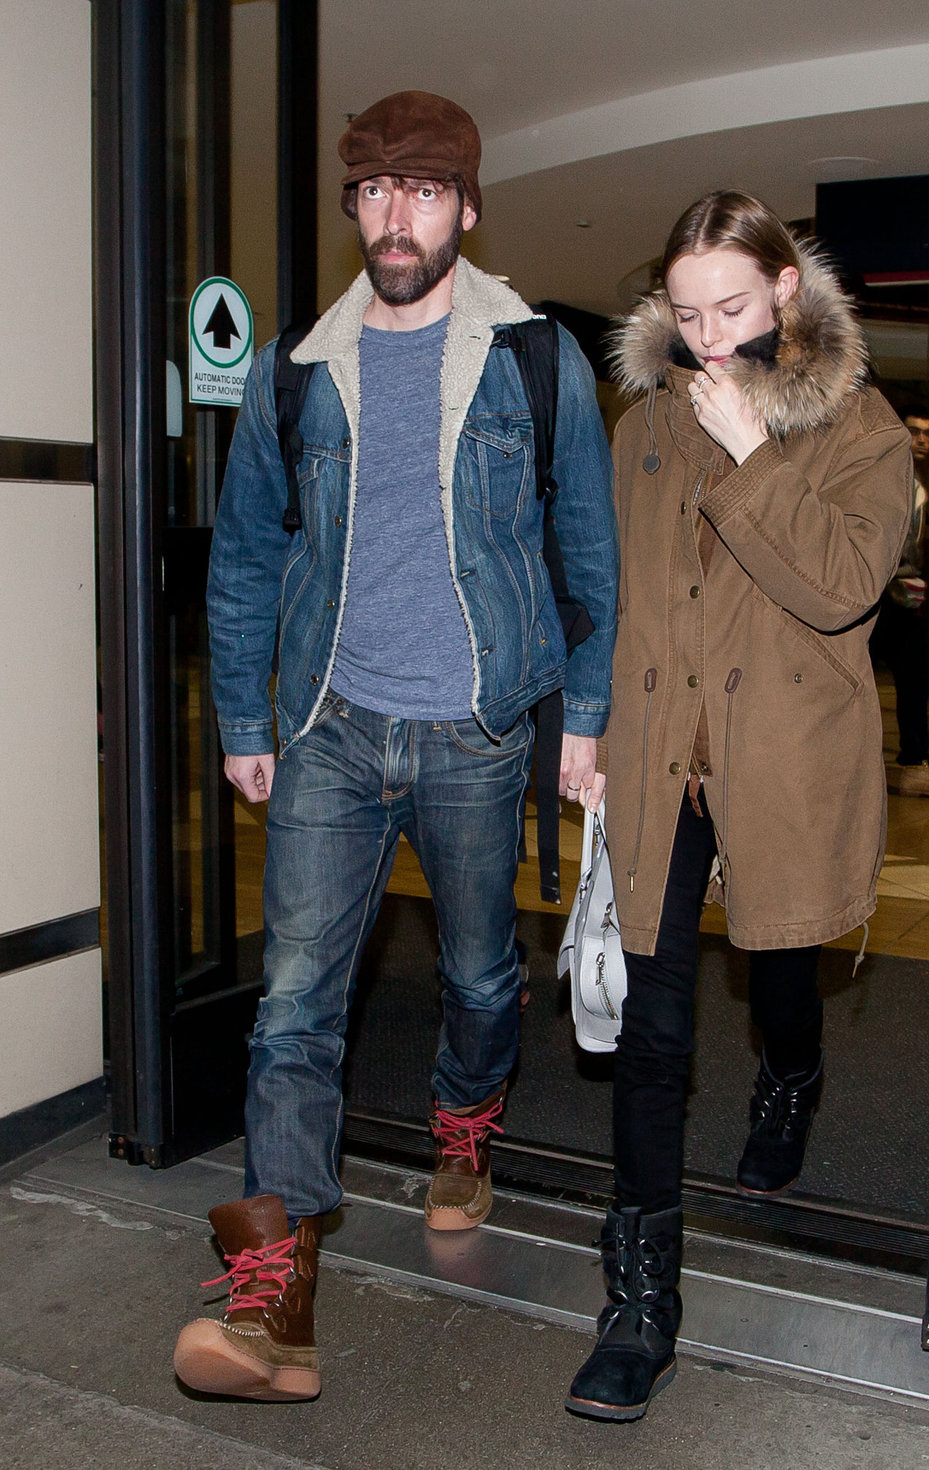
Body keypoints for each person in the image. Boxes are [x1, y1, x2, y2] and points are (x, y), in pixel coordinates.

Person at [174, 90, 617, 1402]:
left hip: (480, 731)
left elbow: (588, 555)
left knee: (484, 978)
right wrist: (244, 720)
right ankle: (273, 1308)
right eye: (373, 191)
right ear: (353, 208)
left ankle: (463, 1124)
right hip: (330, 727)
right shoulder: (297, 371)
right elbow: (248, 553)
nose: (395, 216)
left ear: (467, 209)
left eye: (423, 191)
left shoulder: (537, 362)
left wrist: (581, 719)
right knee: (294, 1010)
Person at [564, 190, 912, 1422]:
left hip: (782, 756)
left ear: (784, 292)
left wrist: (759, 455)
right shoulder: (642, 424)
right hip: (663, 758)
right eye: (687, 311)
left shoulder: (862, 428)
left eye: (733, 306)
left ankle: (793, 1073)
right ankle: (641, 1300)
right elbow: (613, 590)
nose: (710, 338)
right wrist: (589, 722)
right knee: (653, 1035)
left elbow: (841, 585)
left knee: (779, 972)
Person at [870, 409, 929, 797]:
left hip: (902, 597)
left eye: (928, 434)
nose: (921, 440)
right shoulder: (884, 475)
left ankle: (913, 763)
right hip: (879, 595)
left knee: (915, 681)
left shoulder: (918, 482)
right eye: (914, 432)